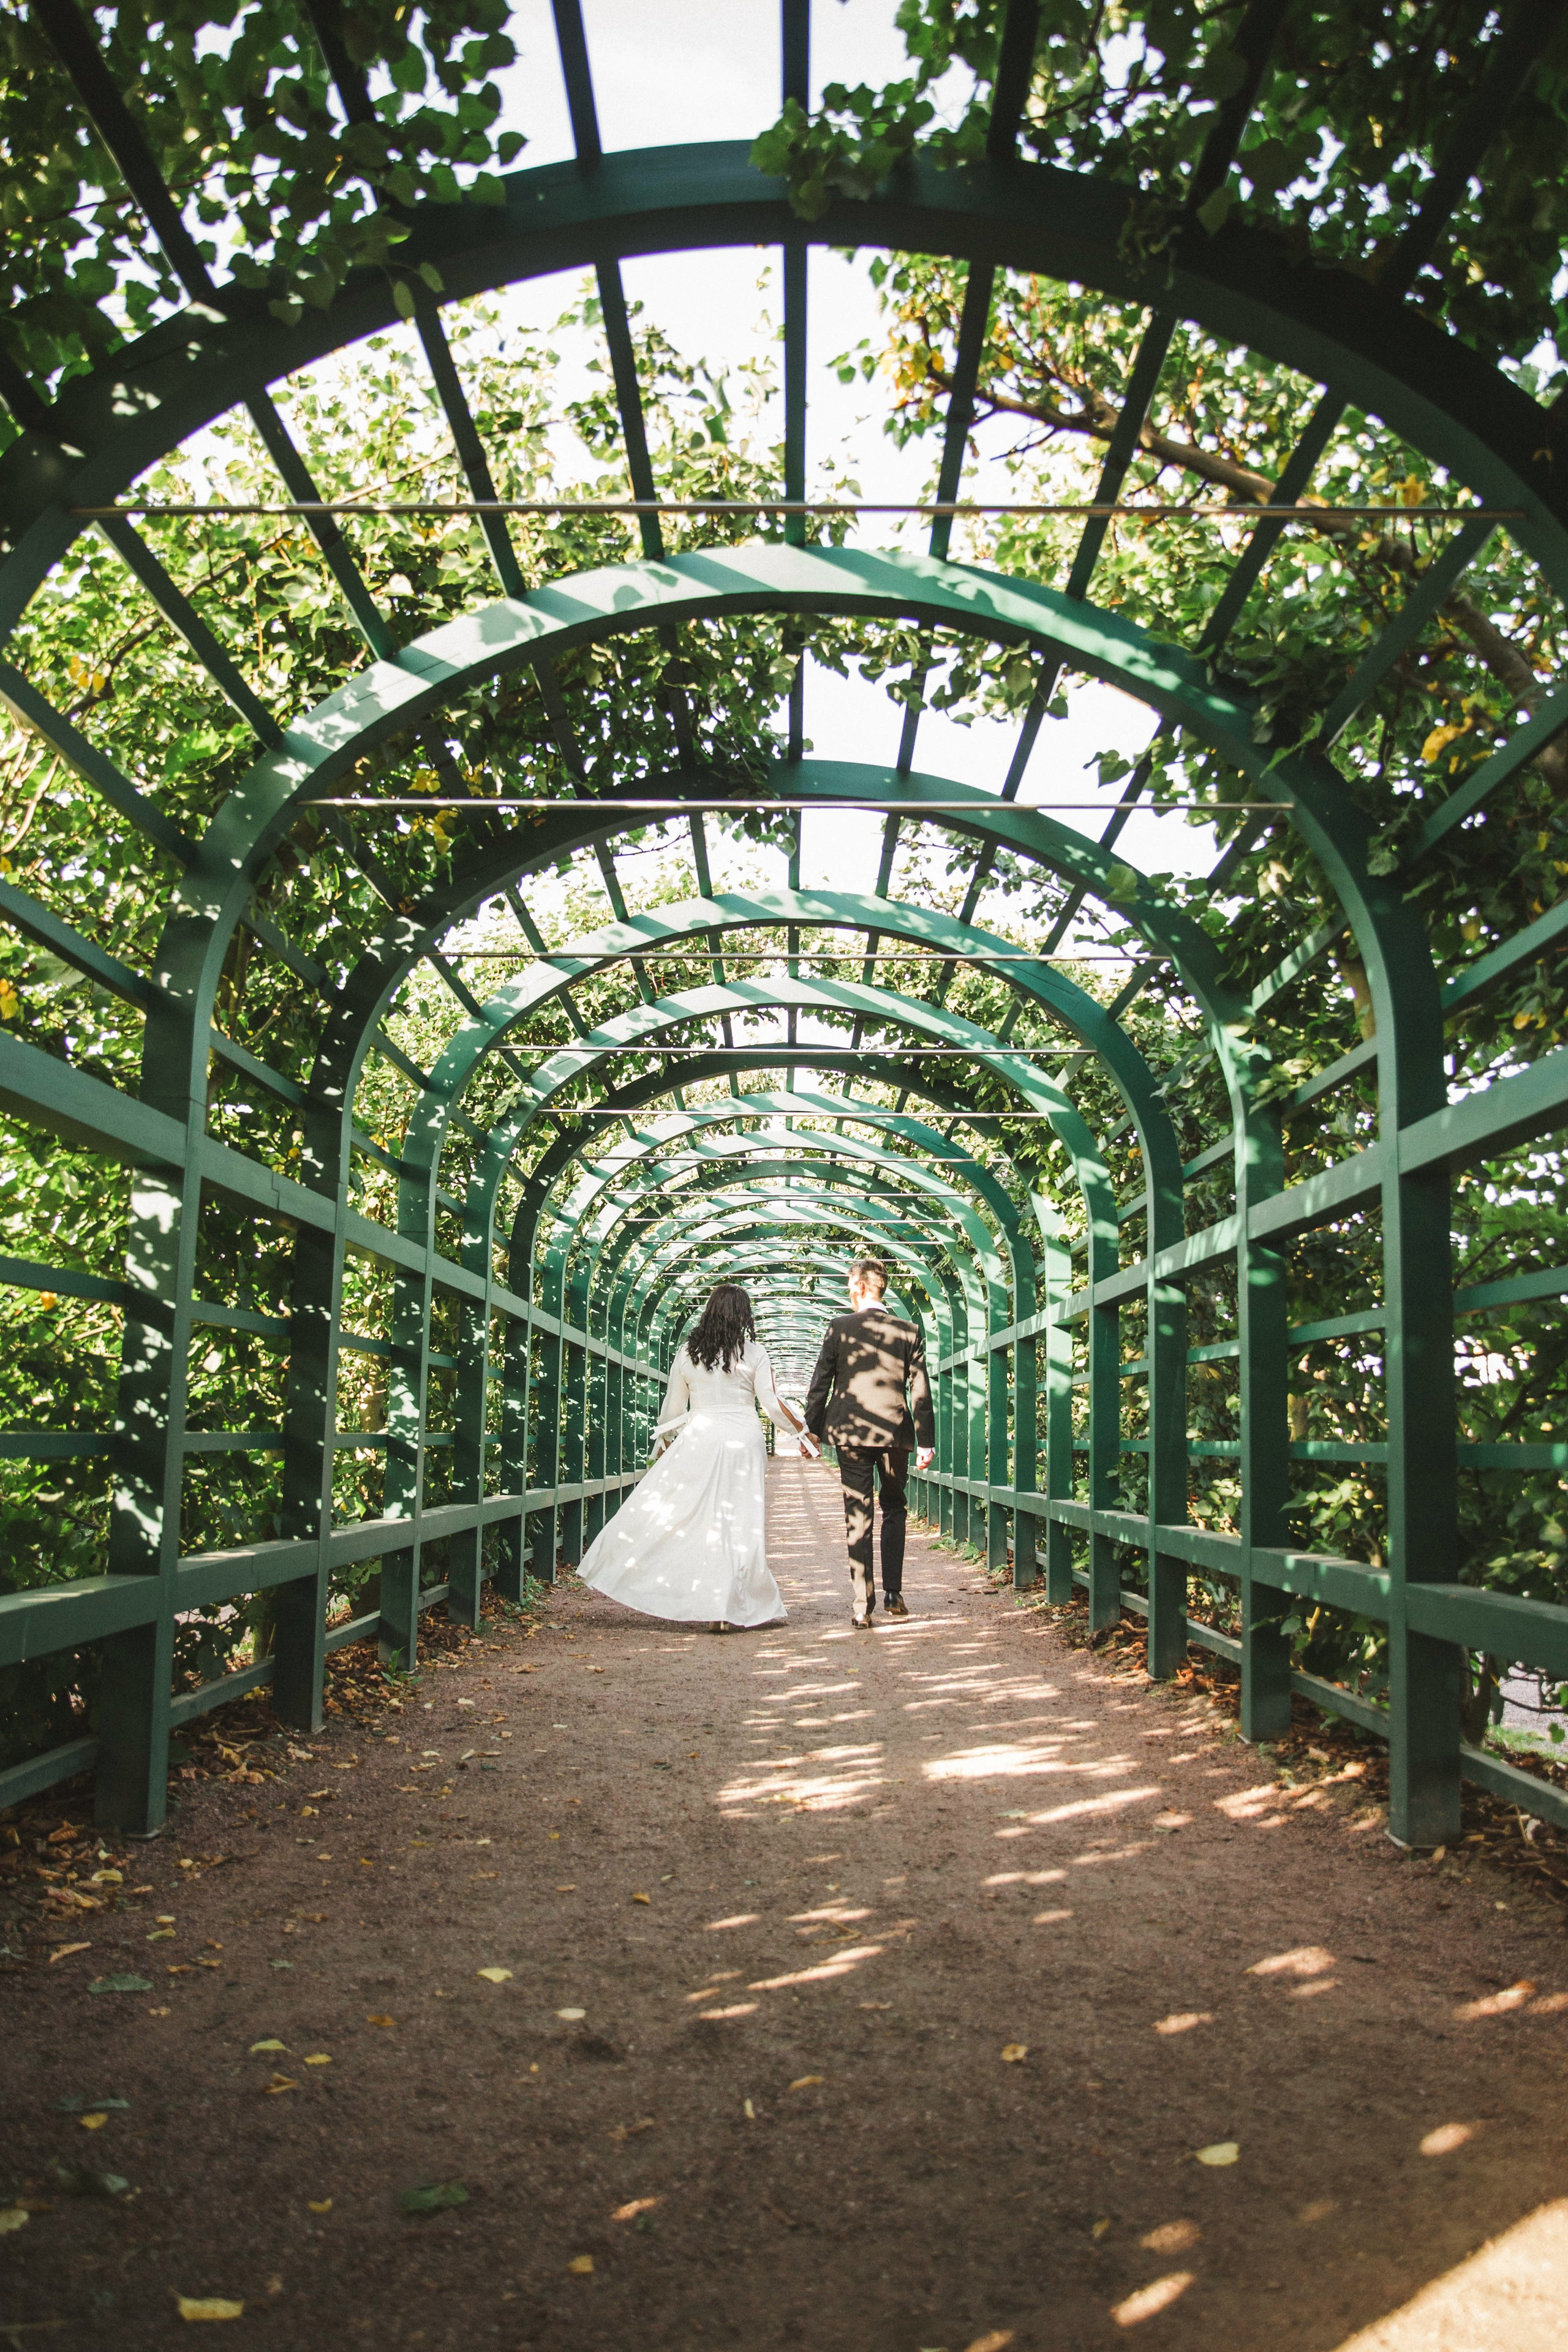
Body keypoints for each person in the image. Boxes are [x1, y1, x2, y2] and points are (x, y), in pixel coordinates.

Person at [576, 1282, 813, 1631]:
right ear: (744, 1316)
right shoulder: (755, 1353)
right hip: (743, 1441)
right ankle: (729, 1606)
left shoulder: (689, 1353)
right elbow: (771, 1404)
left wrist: (666, 1439)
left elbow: (673, 1406)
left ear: (710, 1312)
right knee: (742, 1519)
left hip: (700, 1435)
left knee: (696, 1518)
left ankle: (701, 1598)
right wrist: (801, 1433)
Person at [802, 1257, 935, 1627]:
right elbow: (920, 1389)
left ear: (860, 1287)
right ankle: (894, 1591)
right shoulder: (908, 1330)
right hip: (894, 1433)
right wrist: (926, 1441)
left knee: (857, 1512)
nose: (848, 1292)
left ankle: (862, 1604)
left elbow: (821, 1382)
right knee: (894, 1507)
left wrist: (810, 1429)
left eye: (849, 1285)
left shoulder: (840, 1327)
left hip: (850, 1432)